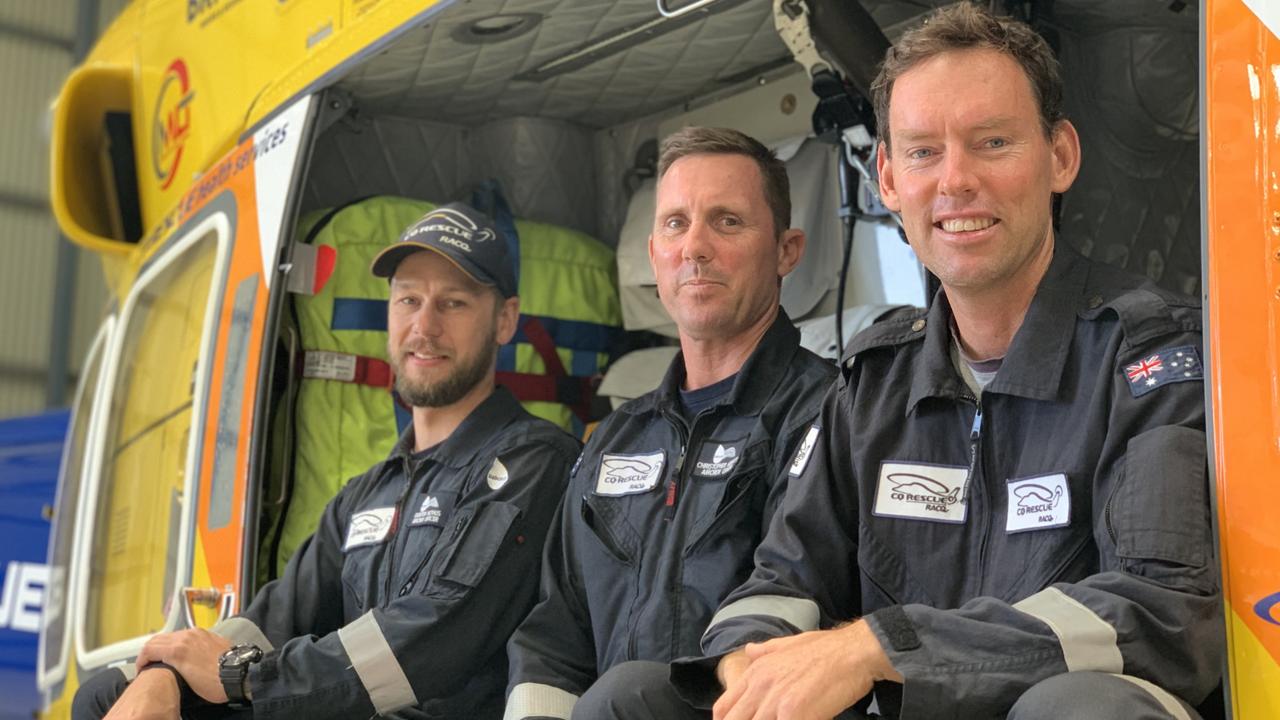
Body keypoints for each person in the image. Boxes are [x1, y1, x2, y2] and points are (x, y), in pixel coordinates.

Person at [600, 5, 1220, 719]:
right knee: (633, 697)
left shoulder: (1150, 358)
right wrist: (750, 655)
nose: (955, 181)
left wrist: (886, 647)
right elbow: (782, 577)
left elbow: (1165, 613)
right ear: (889, 180)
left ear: (1060, 158)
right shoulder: (873, 384)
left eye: (991, 142)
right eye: (924, 152)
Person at [74, 202, 581, 720]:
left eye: (453, 304)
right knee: (105, 696)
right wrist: (167, 671)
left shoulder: (534, 463)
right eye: (408, 299)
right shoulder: (368, 492)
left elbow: (437, 630)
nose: (423, 327)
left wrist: (245, 676)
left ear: (505, 320)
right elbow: (272, 619)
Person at [502, 127, 837, 720]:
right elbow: (553, 639)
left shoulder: (831, 411)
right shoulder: (614, 438)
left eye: (728, 221)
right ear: (655, 253)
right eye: (676, 224)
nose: (695, 247)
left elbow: (792, 601)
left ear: (787, 250)